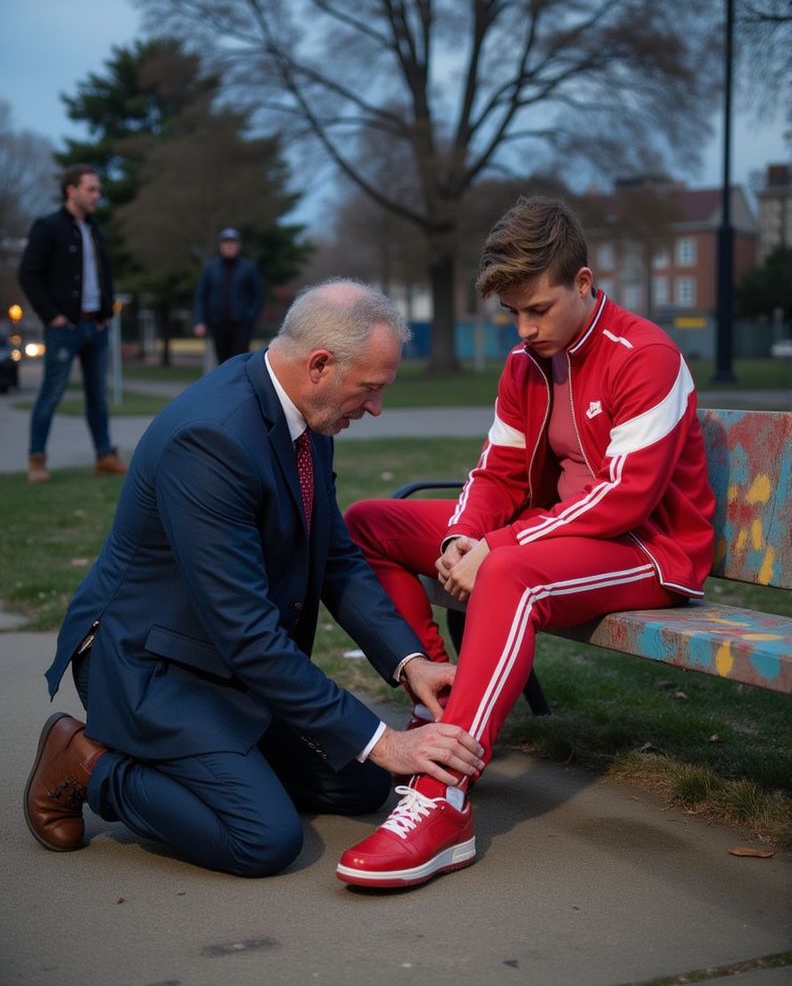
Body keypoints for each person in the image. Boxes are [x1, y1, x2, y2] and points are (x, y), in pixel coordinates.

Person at [23, 279, 484, 878]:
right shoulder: (211, 438)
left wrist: (410, 662)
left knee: (364, 784)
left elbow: (337, 557)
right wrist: (386, 739)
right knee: (263, 838)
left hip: (227, 660)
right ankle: (87, 763)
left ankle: (223, 761)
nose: (375, 408)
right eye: (369, 389)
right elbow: (246, 632)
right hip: (152, 666)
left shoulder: (305, 413)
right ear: (320, 364)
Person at [336, 196, 716, 889]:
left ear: (583, 282)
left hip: (647, 550)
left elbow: (625, 495)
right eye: (513, 312)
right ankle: (440, 704)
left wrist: (499, 546)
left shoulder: (647, 356)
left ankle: (442, 800)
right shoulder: (526, 363)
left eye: (537, 308)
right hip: (552, 538)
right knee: (369, 520)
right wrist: (460, 537)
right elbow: (499, 469)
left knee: (510, 573)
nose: (525, 327)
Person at [18, 164, 127, 483]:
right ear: (72, 190)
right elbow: (28, 274)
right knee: (52, 393)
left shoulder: (94, 229)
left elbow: (104, 275)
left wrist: (108, 314)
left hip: (96, 327)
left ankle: (104, 456)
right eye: (91, 189)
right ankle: (36, 460)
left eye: (98, 189)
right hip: (64, 328)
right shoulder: (48, 227)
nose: (98, 195)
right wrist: (53, 316)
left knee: (97, 396)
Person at [193, 228, 264, 364]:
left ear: (238, 245)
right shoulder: (210, 268)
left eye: (233, 242)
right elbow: (202, 295)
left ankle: (240, 386)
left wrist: (249, 317)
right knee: (223, 363)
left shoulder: (249, 268)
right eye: (226, 242)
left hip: (241, 326)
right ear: (221, 245)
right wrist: (200, 321)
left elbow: (258, 296)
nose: (229, 246)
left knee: (240, 362)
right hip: (218, 325)